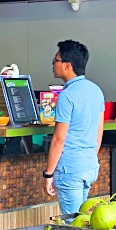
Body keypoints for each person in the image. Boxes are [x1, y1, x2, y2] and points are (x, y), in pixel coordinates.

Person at [43, 40, 105, 218]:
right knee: (82, 221)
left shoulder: (67, 96)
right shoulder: (96, 91)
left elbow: (59, 139)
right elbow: (99, 131)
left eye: (56, 60)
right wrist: (89, 156)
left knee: (75, 227)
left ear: (67, 65)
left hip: (70, 169)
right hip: (89, 166)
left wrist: (48, 174)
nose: (53, 64)